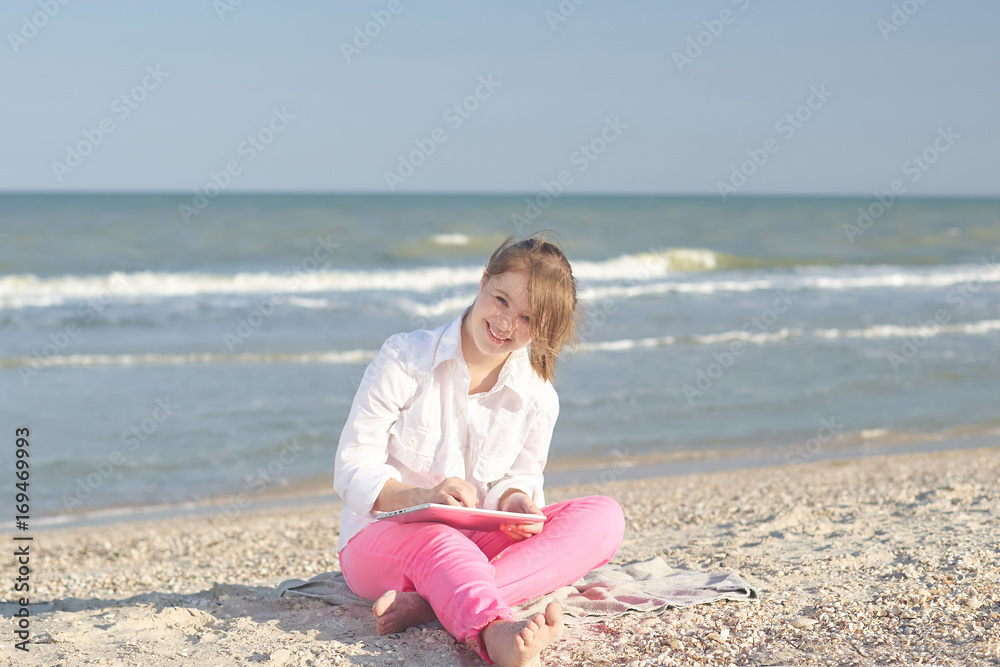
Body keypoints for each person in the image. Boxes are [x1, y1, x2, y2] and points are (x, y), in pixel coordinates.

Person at [334, 233, 626, 666]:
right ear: (483, 281)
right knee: (437, 541)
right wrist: (422, 497)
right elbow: (351, 467)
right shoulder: (404, 358)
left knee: (603, 518)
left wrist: (517, 500)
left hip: (473, 542)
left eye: (527, 318)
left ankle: (432, 604)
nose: (507, 323)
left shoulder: (538, 395)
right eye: (502, 300)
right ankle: (492, 632)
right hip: (380, 539)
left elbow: (522, 477)